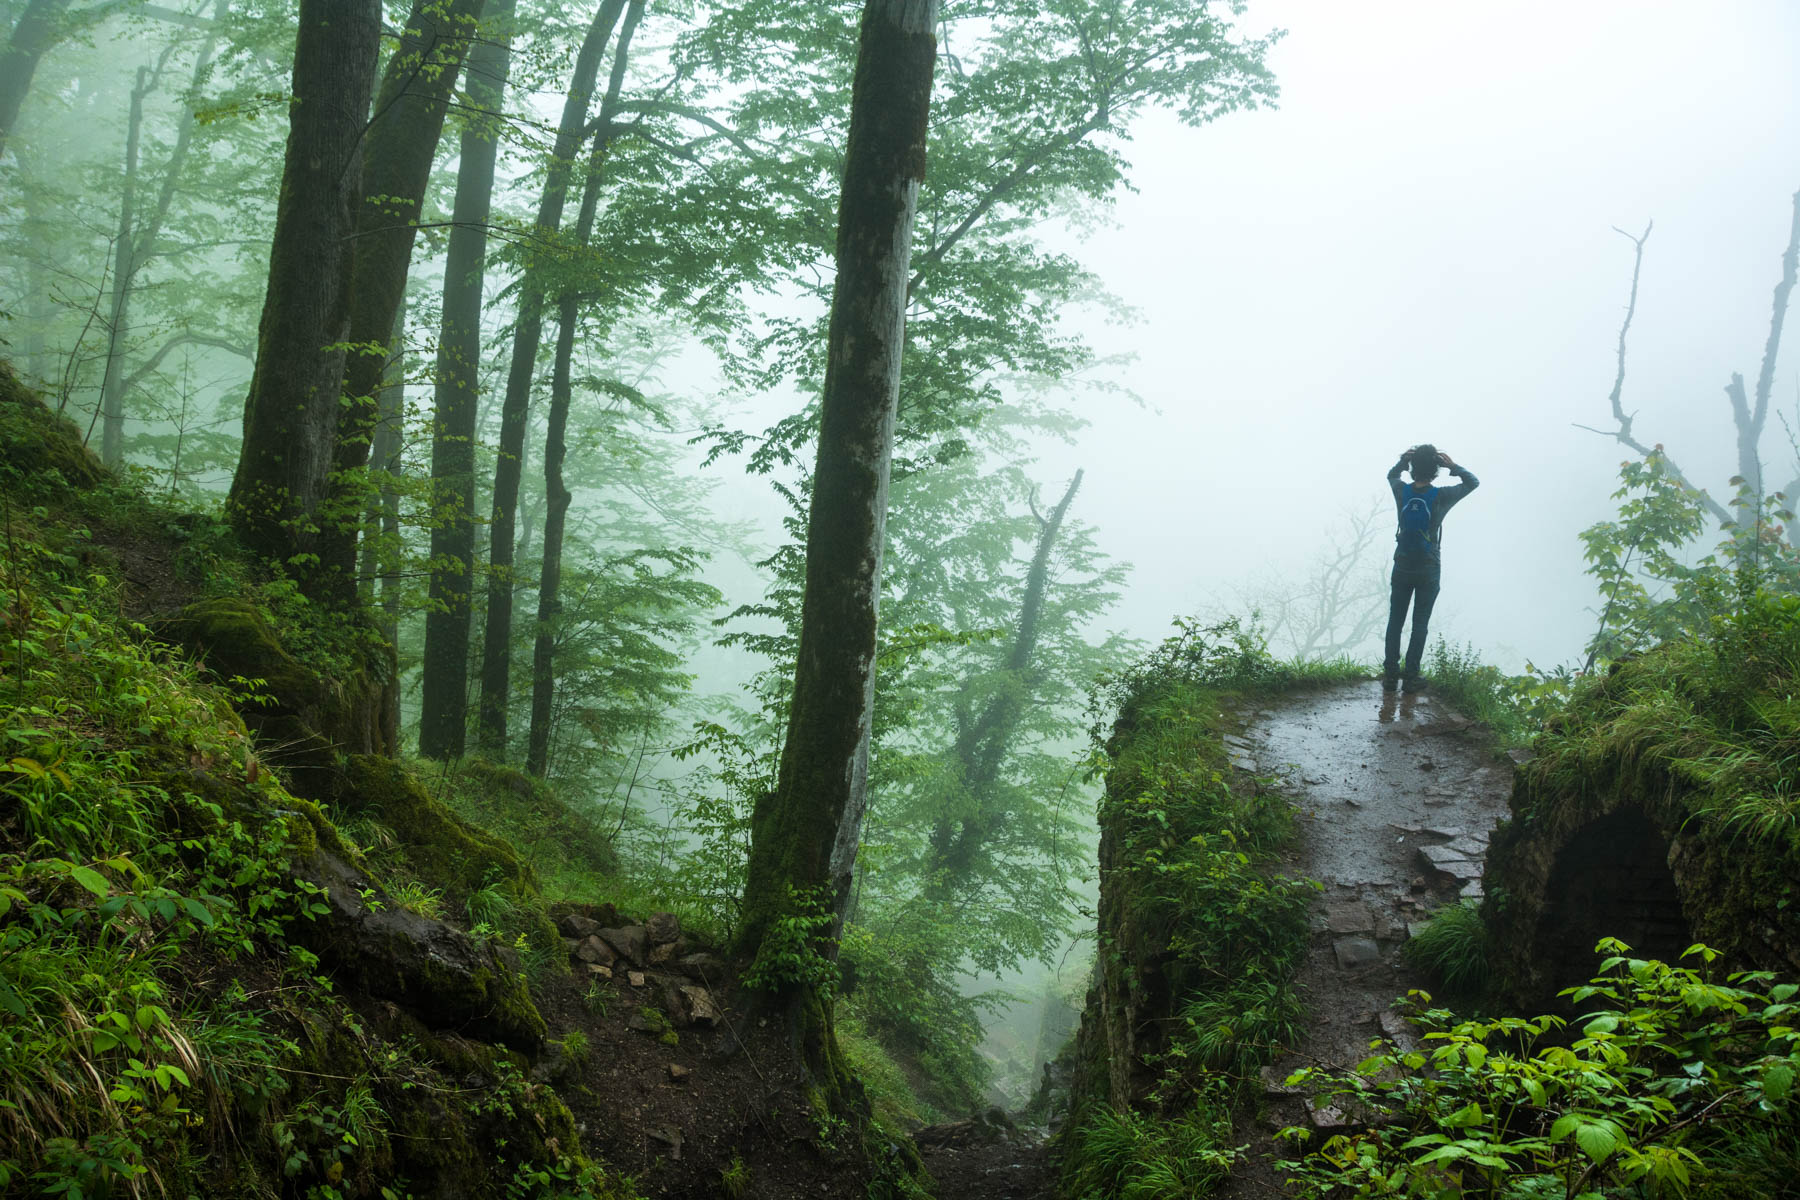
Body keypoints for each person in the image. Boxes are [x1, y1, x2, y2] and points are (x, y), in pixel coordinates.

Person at [1384, 444, 1479, 691]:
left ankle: (1390, 676)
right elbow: (1472, 483)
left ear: (1413, 467)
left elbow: (1391, 475)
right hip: (1428, 567)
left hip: (1402, 563)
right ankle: (1411, 677)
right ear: (1436, 469)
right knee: (1420, 623)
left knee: (1395, 620)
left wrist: (1403, 462)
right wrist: (1452, 466)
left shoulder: (1401, 491)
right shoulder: (1441, 496)